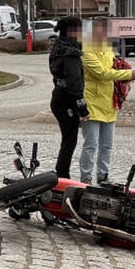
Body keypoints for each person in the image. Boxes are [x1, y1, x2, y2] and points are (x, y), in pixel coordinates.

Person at [79, 17, 135, 184]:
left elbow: (116, 68)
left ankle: (103, 175)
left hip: (109, 103)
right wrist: (129, 74)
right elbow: (102, 73)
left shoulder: (108, 50)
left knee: (106, 145)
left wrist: (127, 77)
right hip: (92, 104)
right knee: (91, 144)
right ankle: (86, 177)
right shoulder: (86, 52)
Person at [48, 16, 89, 179]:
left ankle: (62, 171)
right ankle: (62, 173)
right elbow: (74, 85)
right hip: (65, 101)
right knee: (70, 139)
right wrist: (82, 109)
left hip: (58, 97)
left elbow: (56, 76)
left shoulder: (57, 49)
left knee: (68, 137)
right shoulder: (70, 54)